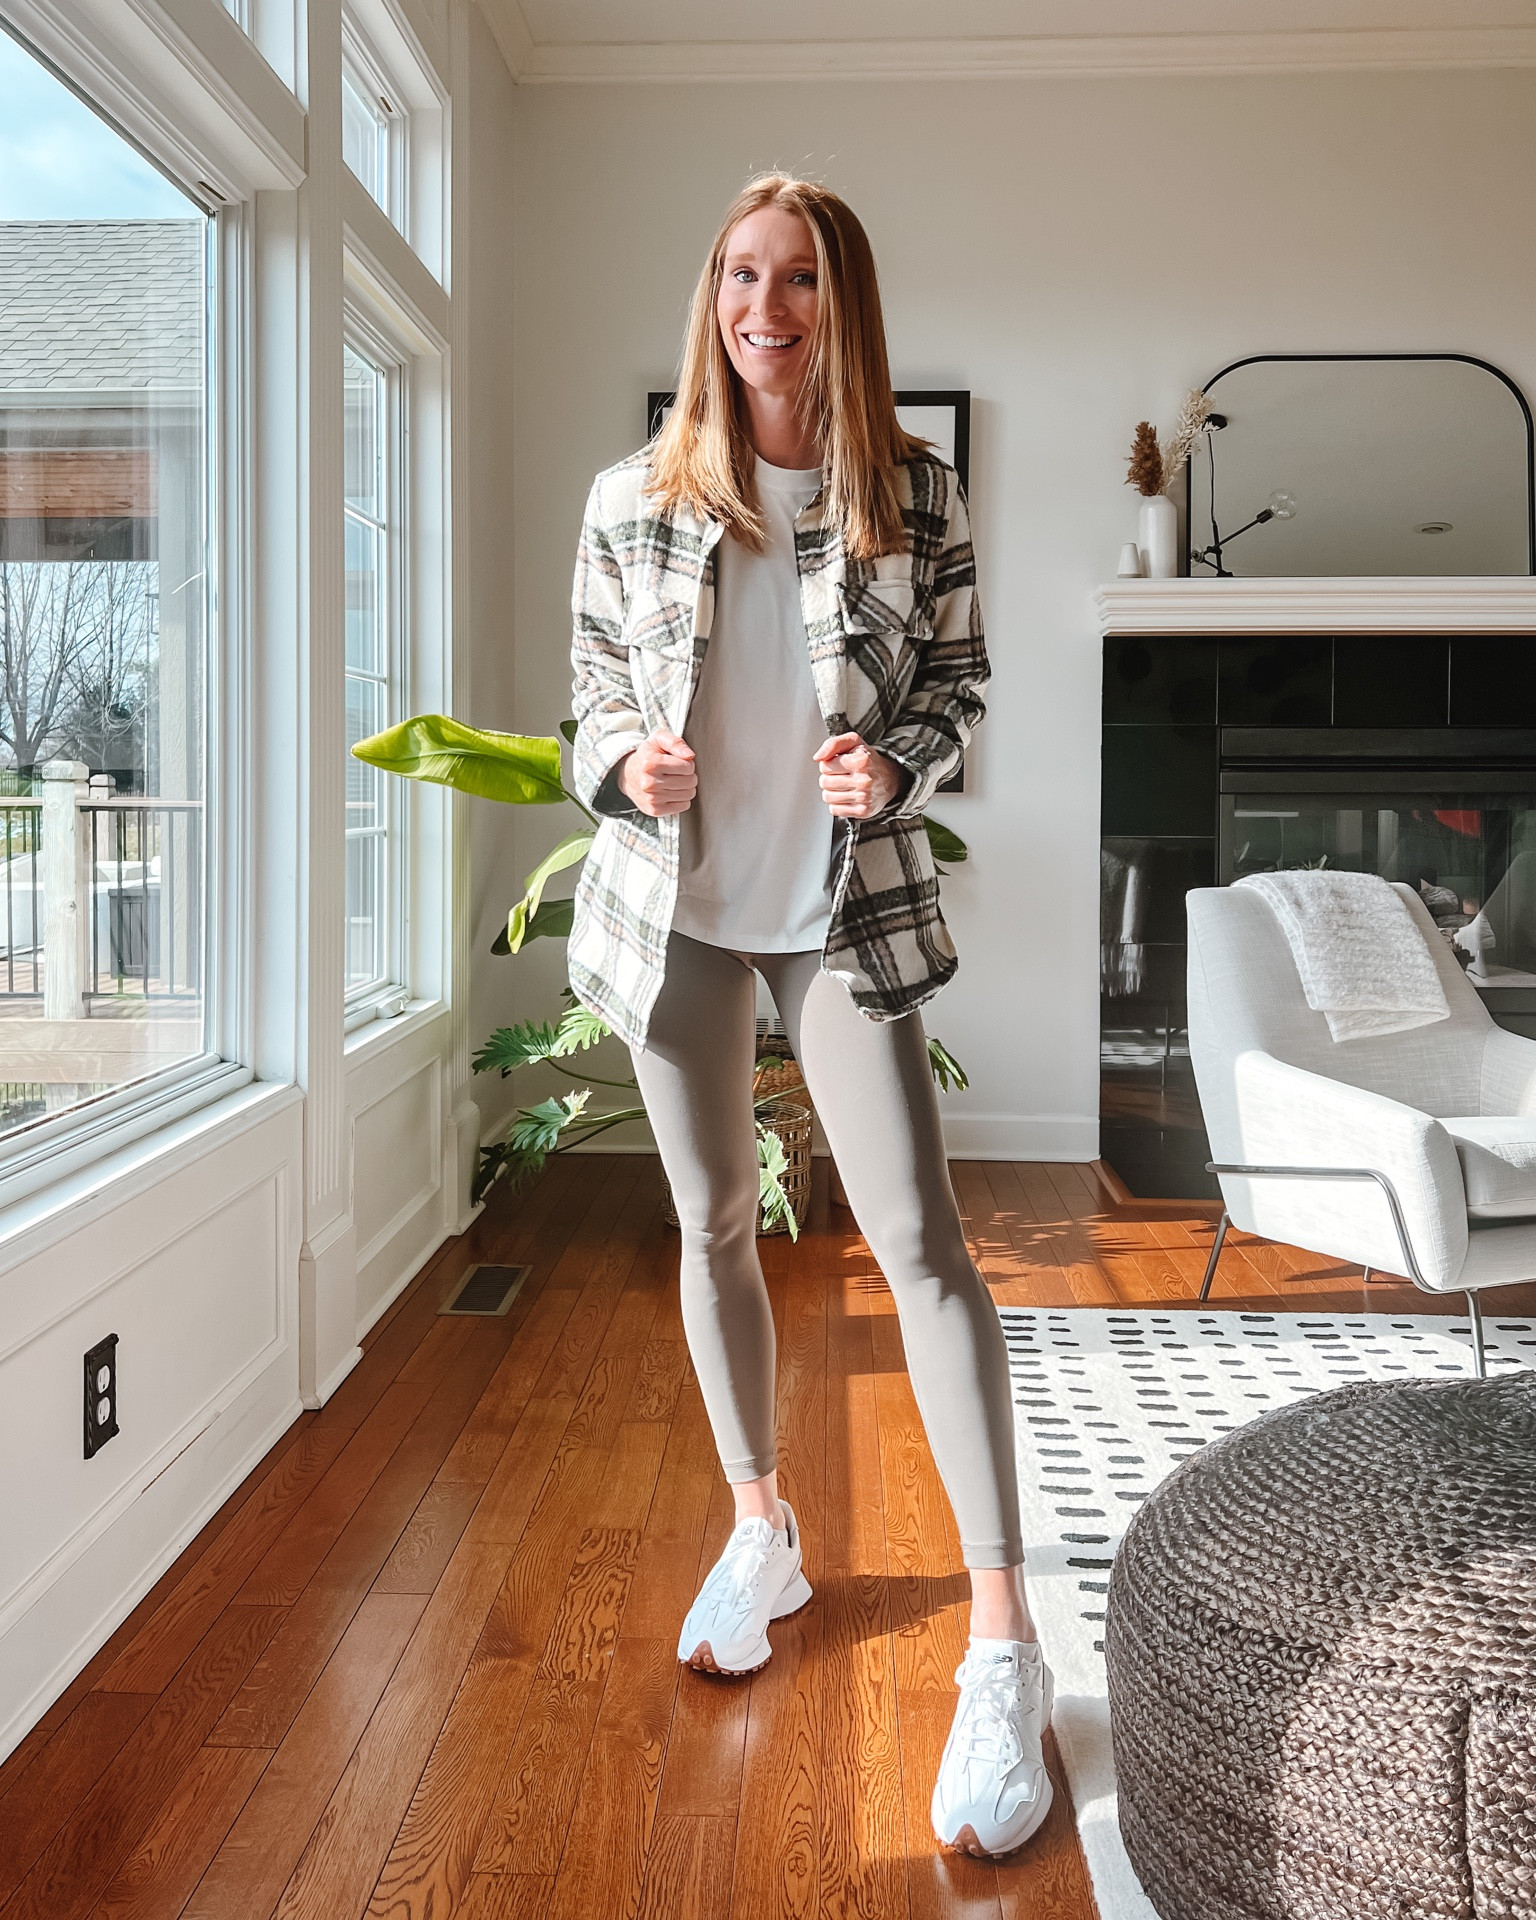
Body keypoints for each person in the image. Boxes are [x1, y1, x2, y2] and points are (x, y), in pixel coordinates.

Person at [567, 173, 1051, 1860]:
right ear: (715, 293)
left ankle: (1003, 1644)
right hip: (680, 920)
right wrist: (626, 764)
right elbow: (586, 710)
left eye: (796, 282)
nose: (763, 308)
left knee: (923, 1246)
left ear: (842, 306)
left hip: (842, 912)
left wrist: (893, 758)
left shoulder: (913, 496)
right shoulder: (634, 498)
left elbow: (964, 689)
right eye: (739, 275)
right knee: (711, 1227)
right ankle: (760, 1523)